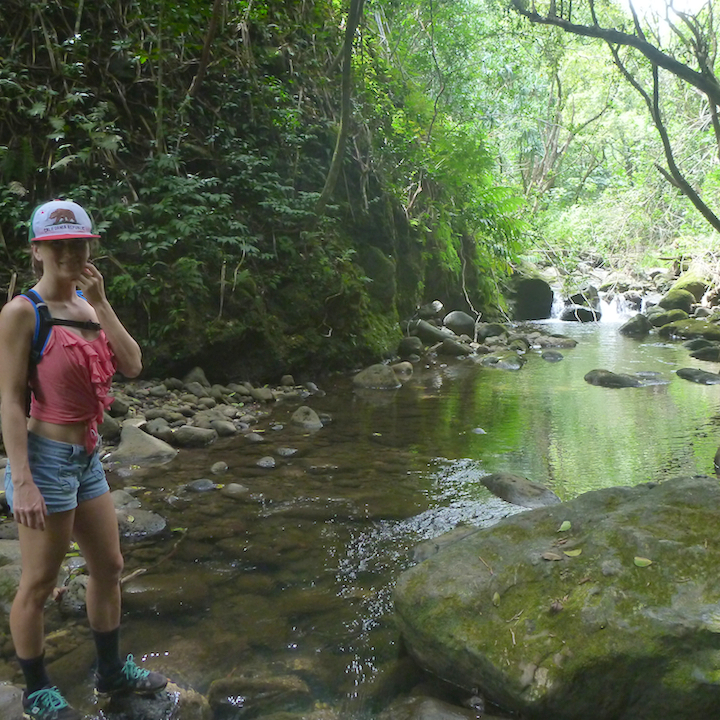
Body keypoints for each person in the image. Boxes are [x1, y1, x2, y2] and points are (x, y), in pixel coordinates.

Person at [0, 200, 167, 720]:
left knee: (110, 566)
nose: (71, 253)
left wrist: (104, 303)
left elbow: (134, 365)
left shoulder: (90, 309)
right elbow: (8, 399)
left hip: (88, 455)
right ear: (38, 252)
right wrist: (22, 479)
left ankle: (111, 671)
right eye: (59, 246)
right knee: (39, 583)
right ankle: (37, 688)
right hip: (46, 458)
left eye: (79, 244)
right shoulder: (22, 313)